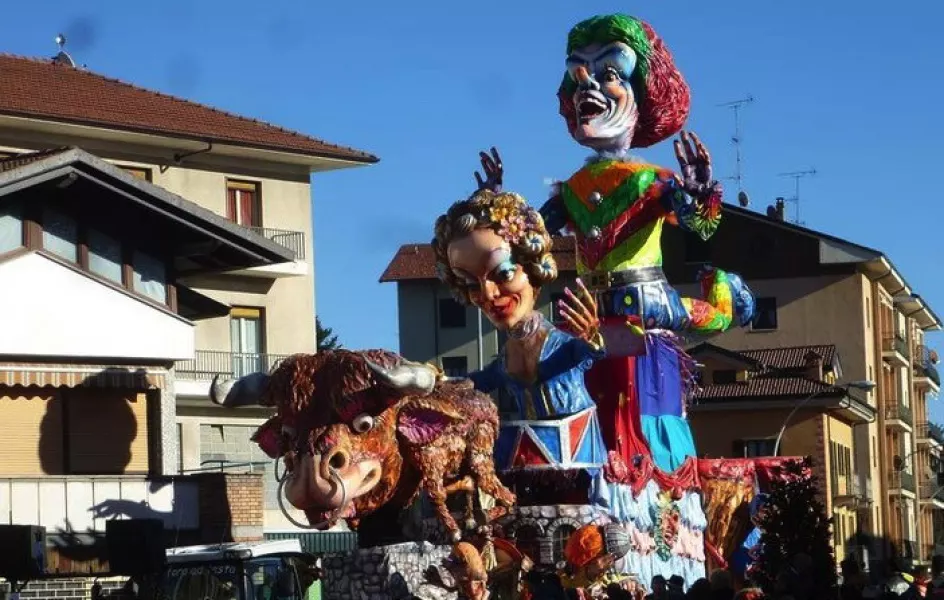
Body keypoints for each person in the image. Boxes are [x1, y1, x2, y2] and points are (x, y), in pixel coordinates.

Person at [433, 188, 609, 496]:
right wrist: (438, 383)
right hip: (528, 471)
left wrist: (593, 340)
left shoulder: (559, 344)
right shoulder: (506, 358)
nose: (488, 294)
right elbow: (480, 381)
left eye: (502, 273)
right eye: (469, 283)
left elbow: (583, 354)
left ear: (531, 266)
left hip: (582, 470)